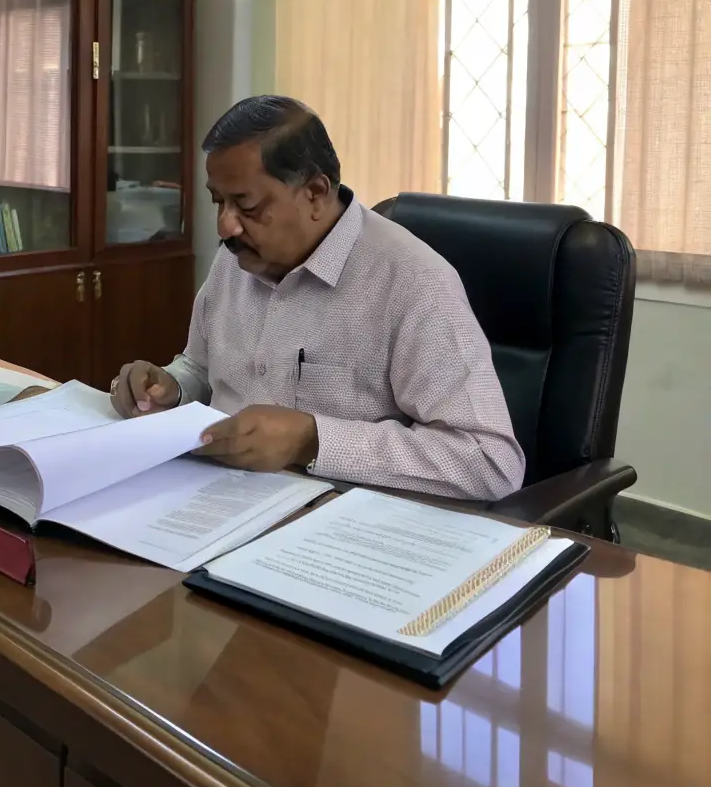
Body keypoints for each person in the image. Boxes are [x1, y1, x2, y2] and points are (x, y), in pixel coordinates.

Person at [111, 96, 525, 501]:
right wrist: (172, 387)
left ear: (315, 192)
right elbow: (203, 369)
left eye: (247, 205)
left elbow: (489, 461)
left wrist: (313, 440)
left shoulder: (414, 283)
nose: (225, 226)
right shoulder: (236, 258)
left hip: (341, 530)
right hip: (215, 500)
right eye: (218, 201)